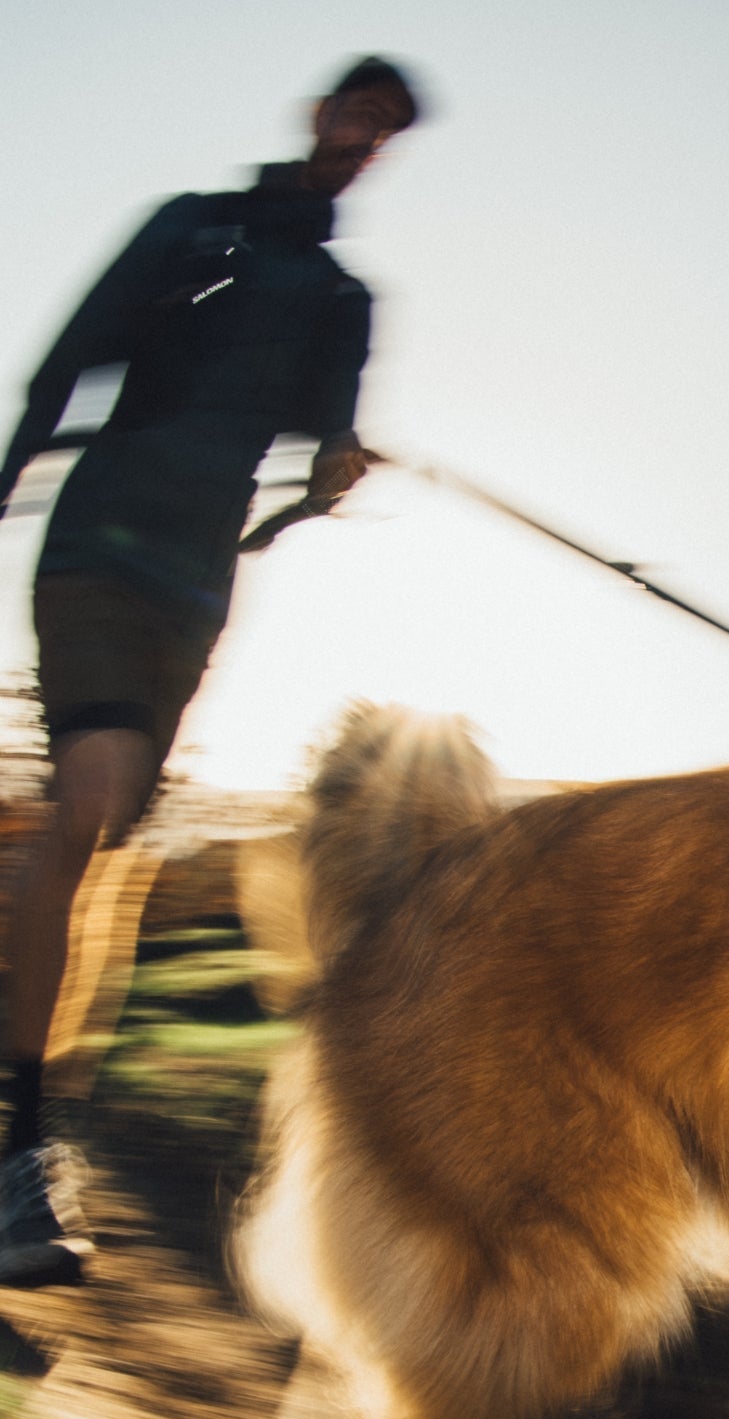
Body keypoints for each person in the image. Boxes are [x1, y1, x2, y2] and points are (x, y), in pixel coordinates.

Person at [0, 56, 423, 1284]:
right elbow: (66, 360)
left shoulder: (345, 297)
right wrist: (9, 471)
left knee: (112, 848)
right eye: (355, 111)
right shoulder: (197, 227)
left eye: (385, 131)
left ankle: (27, 1141)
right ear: (318, 112)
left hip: (194, 584)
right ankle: (19, 1147)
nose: (363, 137)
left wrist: (328, 482)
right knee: (87, 805)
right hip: (99, 542)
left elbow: (317, 453)